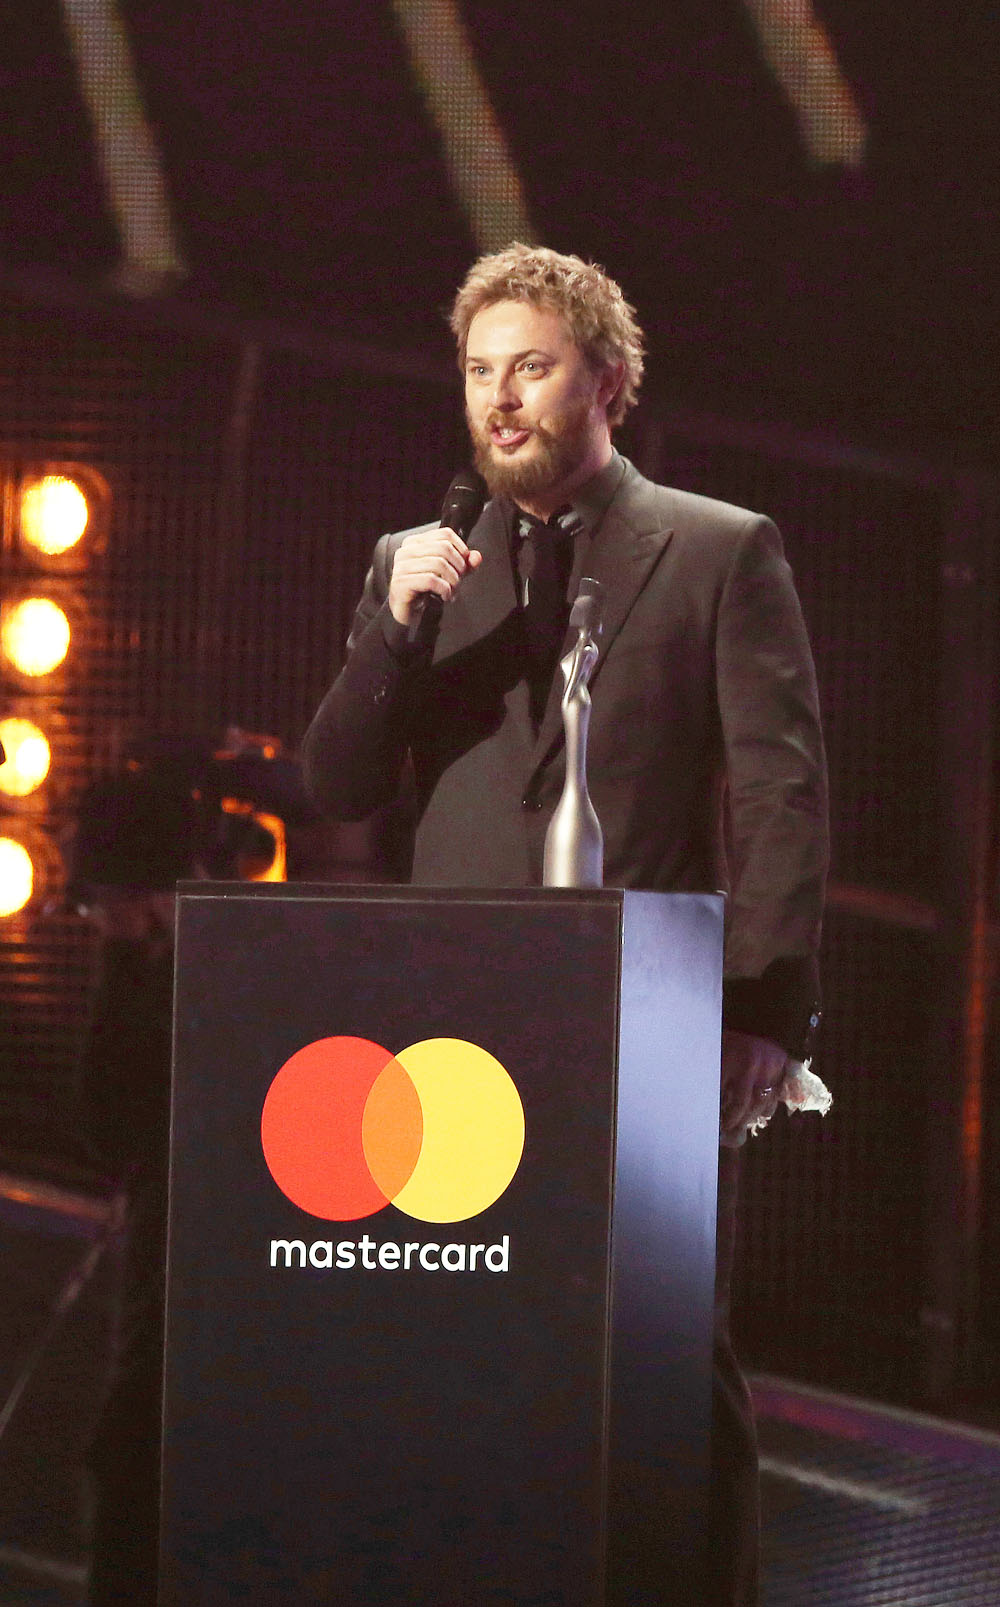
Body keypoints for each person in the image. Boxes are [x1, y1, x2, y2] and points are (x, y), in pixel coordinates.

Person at [301, 242, 829, 1605]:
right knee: (462, 1333)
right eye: (479, 373)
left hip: (636, 1020)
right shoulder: (416, 568)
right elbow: (341, 785)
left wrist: (765, 1014)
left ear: (608, 378)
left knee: (653, 1343)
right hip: (453, 1025)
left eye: (530, 366)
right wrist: (394, 637)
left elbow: (780, 792)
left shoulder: (716, 549)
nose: (501, 399)